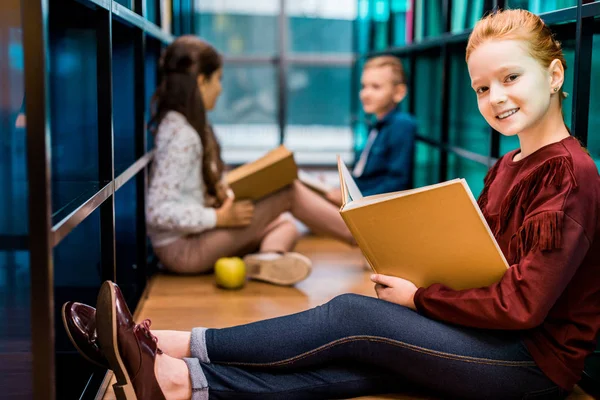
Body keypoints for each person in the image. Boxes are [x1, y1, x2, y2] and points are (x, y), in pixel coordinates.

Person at [63, 9, 599, 399]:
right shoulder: (507, 166)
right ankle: (182, 384)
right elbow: (482, 258)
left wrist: (420, 300)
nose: (496, 98)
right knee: (361, 354)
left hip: (532, 365)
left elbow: (523, 305)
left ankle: (163, 344)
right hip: (492, 340)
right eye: (482, 88)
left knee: (351, 315)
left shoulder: (571, 175)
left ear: (555, 75)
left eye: (511, 79)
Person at [145, 35, 355, 285]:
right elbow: (157, 211)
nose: (221, 89)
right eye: (218, 80)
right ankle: (364, 239)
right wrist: (219, 218)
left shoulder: (181, 124)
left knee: (285, 224)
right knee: (288, 192)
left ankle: (268, 258)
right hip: (182, 250)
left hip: (191, 238)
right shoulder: (183, 135)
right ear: (202, 81)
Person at [325, 55, 417, 206]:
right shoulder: (376, 126)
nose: (365, 94)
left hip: (370, 212)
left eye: (376, 87)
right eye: (364, 86)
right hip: (356, 203)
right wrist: (338, 188)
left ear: (399, 92)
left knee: (292, 195)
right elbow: (365, 178)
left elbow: (397, 185)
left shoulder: (402, 125)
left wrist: (350, 200)